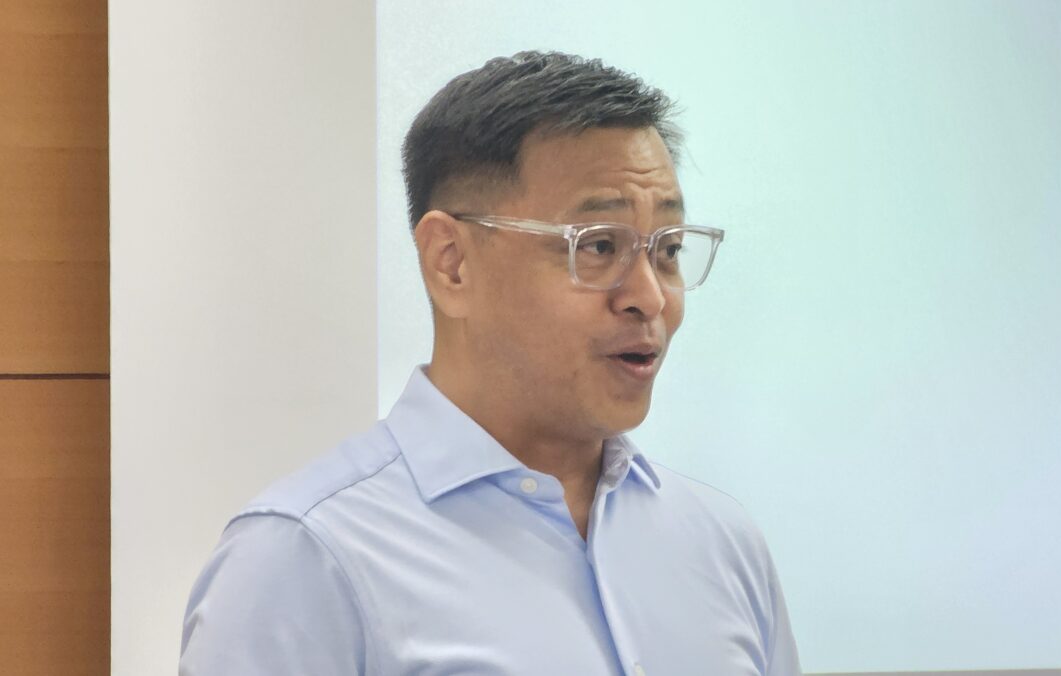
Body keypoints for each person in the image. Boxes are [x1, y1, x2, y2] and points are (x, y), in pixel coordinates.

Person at [179, 51, 802, 676]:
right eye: (599, 246)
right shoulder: (305, 559)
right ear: (451, 262)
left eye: (666, 250)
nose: (649, 297)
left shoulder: (722, 543)